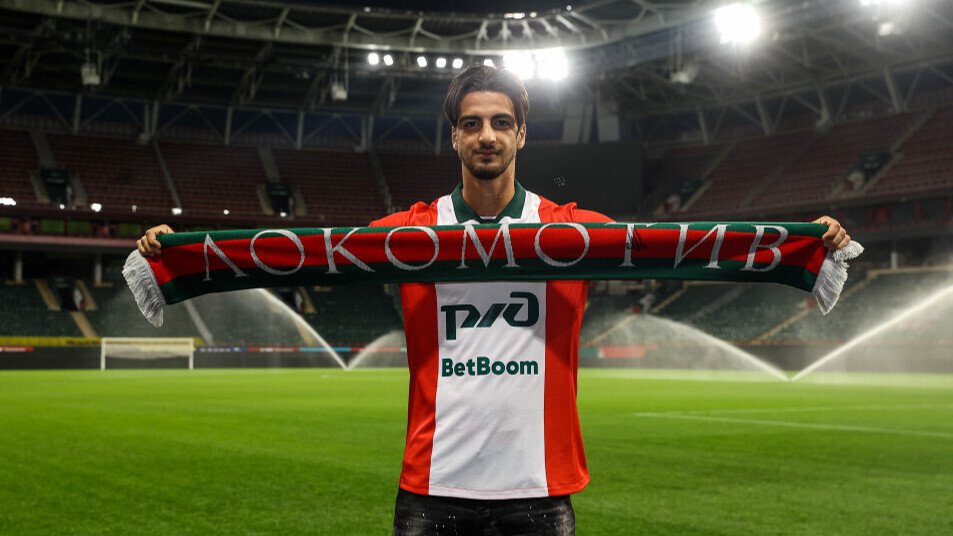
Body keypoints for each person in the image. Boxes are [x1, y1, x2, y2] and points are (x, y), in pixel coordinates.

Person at [137, 65, 852, 535]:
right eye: (473, 123)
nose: (487, 135)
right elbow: (298, 251)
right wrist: (179, 256)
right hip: (431, 492)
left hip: (538, 496)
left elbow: (685, 245)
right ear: (454, 135)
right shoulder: (409, 233)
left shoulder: (573, 231)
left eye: (501, 122)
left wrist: (802, 246)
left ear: (520, 134)